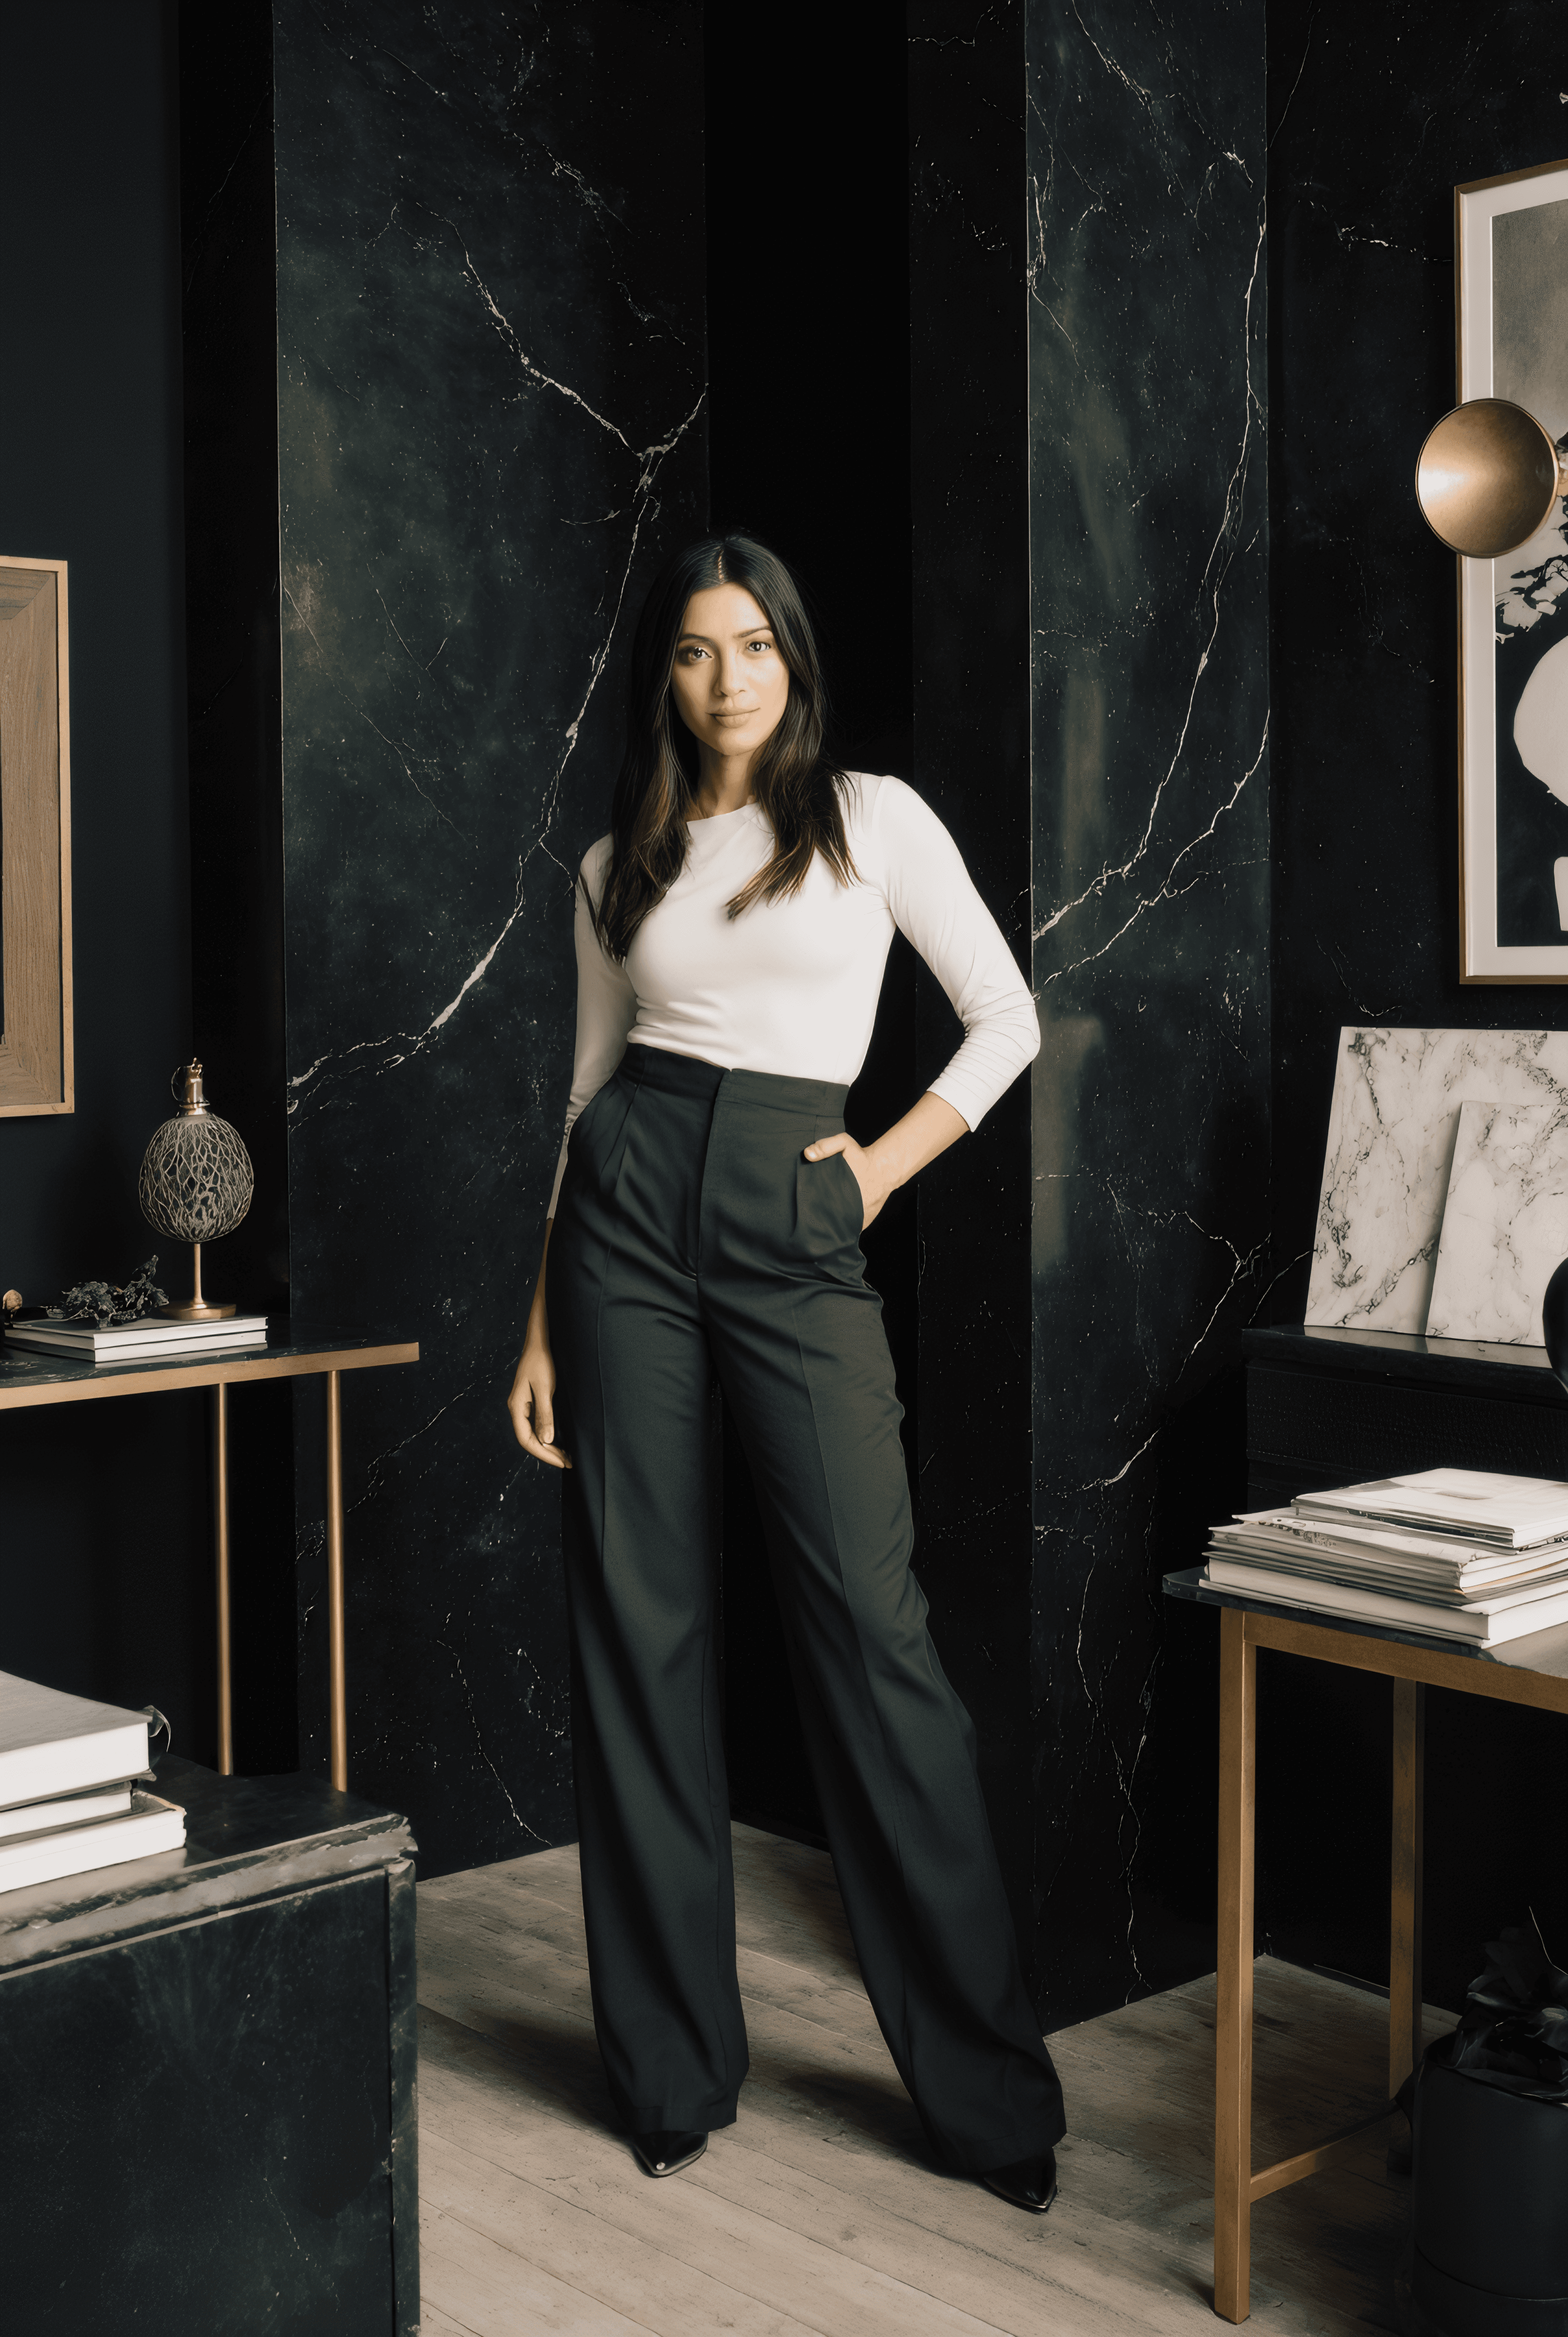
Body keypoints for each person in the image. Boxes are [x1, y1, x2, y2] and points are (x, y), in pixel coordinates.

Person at [507, 533, 1065, 2212]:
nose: (728, 676)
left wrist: (882, 1170)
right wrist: (540, 1315)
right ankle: (669, 2070)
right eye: (694, 651)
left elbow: (1008, 1018)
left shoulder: (876, 822)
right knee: (640, 1630)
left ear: (793, 660)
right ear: (665, 676)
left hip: (798, 1207)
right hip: (621, 1230)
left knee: (875, 1639)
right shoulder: (619, 859)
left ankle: (985, 2100)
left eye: (754, 645)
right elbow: (589, 1085)